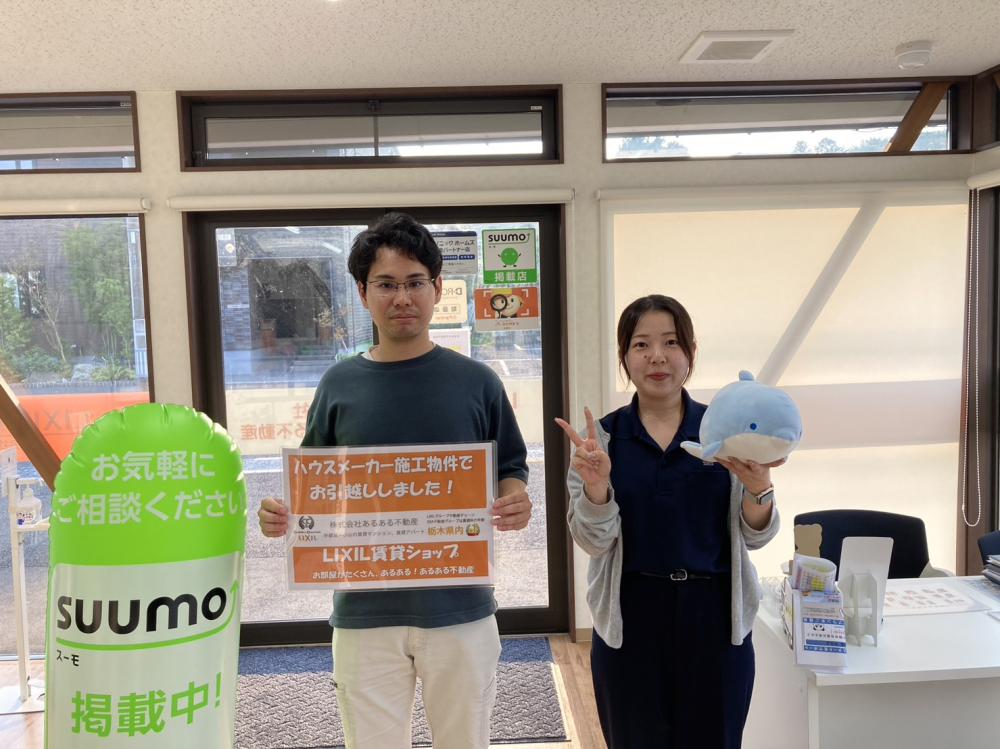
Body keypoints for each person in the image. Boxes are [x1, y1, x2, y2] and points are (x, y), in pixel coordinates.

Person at [258, 212, 532, 749]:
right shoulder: (338, 384)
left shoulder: (478, 381)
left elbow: (509, 467)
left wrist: (514, 499)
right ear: (363, 293)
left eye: (414, 282)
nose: (402, 297)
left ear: (437, 289)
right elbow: (311, 484)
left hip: (460, 608)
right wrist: (281, 514)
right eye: (386, 284)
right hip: (364, 614)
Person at [555, 294, 781, 749]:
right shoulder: (602, 440)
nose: (656, 356)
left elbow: (755, 536)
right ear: (624, 357)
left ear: (691, 353)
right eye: (641, 344)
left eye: (671, 342)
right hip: (630, 619)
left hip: (715, 618)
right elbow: (593, 542)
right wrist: (597, 488)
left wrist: (760, 488)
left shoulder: (724, 432)